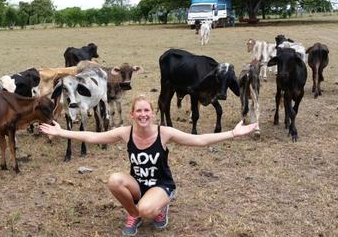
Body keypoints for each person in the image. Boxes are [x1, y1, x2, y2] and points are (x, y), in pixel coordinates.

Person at [39, 95, 257, 236]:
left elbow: (200, 140)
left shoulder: (164, 133)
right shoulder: (126, 133)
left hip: (161, 185)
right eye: (139, 111)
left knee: (147, 210)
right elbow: (93, 136)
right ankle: (133, 214)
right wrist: (61, 132)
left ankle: (160, 206)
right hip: (138, 185)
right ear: (132, 114)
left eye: (147, 111)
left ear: (152, 113)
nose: (143, 114)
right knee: (114, 180)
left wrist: (232, 134)